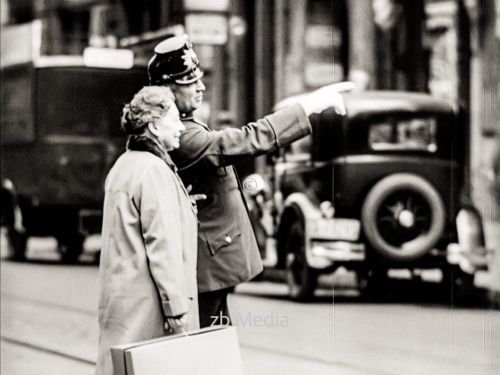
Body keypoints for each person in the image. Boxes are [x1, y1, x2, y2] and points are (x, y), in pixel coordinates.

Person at [148, 35, 350, 327]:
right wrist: (309, 106)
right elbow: (246, 140)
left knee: (215, 349)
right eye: (191, 83)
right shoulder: (182, 136)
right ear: (168, 89)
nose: (201, 87)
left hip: (211, 266)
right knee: (208, 351)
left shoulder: (183, 126)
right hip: (205, 268)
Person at [95, 86, 199, 375]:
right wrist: (176, 307)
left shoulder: (124, 165)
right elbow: (161, 244)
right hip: (149, 310)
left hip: (123, 305)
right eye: (175, 118)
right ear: (154, 125)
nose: (181, 127)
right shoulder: (154, 170)